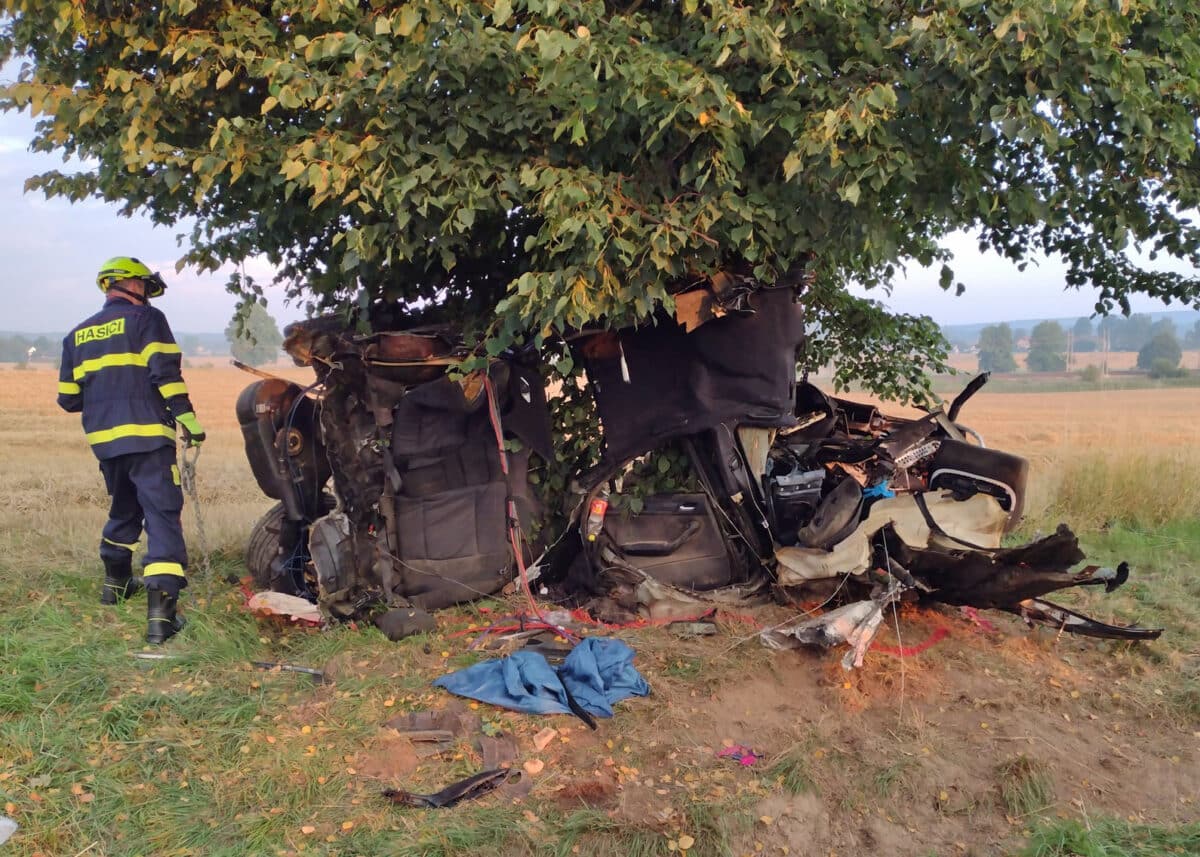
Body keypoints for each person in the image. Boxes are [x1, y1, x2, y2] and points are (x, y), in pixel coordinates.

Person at [57, 256, 206, 644]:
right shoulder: (147, 321)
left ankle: (116, 587)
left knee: (124, 507)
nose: (149, 294)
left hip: (105, 444)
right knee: (161, 513)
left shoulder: (75, 336)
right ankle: (162, 621)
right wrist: (188, 419)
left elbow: (68, 399)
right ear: (130, 284)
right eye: (146, 286)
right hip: (148, 439)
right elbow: (166, 375)